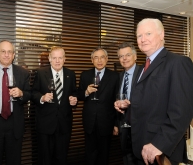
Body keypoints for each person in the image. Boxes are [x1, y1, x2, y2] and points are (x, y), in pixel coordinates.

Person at [115, 18, 193, 165]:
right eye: (139, 35)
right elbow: (153, 103)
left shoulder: (178, 63)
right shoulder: (142, 68)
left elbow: (182, 112)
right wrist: (129, 106)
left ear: (162, 35)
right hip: (141, 147)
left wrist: (159, 144)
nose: (143, 39)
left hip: (159, 150)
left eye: (148, 34)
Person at [31, 46, 77, 165]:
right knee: (45, 159)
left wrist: (74, 100)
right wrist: (42, 97)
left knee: (61, 158)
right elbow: (33, 92)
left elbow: (74, 93)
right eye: (54, 58)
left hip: (64, 125)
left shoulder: (70, 74)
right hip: (45, 124)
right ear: (50, 59)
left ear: (64, 59)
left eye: (60, 58)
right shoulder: (41, 73)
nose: (57, 61)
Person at [78, 47, 119, 165]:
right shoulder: (85, 75)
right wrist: (86, 92)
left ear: (107, 59)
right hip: (89, 121)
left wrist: (116, 124)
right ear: (92, 60)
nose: (99, 60)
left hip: (106, 122)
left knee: (104, 155)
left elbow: (117, 100)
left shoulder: (115, 76)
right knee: (90, 155)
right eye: (96, 57)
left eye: (102, 57)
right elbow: (79, 95)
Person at [113, 42, 142, 165]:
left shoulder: (144, 73)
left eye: (127, 55)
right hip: (124, 125)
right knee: (127, 159)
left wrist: (132, 103)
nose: (124, 59)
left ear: (135, 57)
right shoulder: (119, 77)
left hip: (141, 125)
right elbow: (115, 99)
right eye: (121, 56)